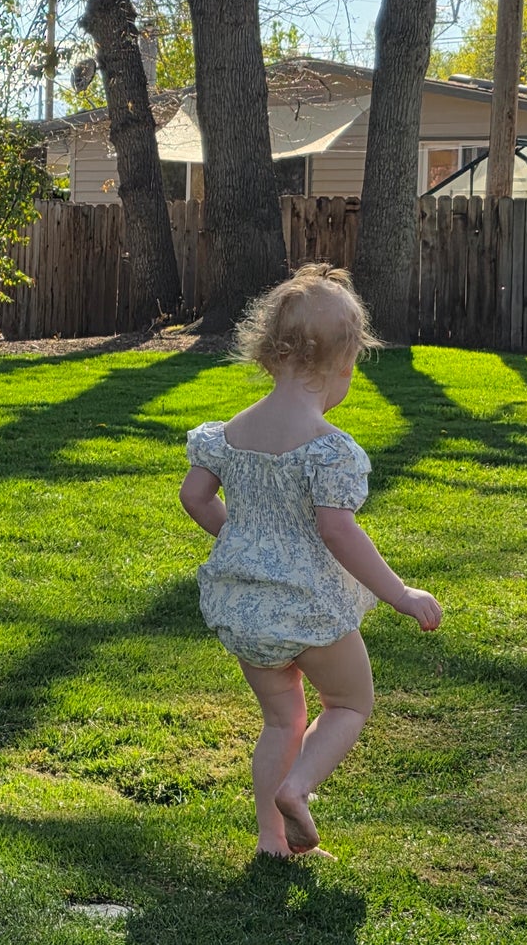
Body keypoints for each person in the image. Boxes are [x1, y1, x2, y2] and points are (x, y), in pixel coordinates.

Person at [179, 264, 442, 857]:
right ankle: (297, 789)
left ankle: (273, 843)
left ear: (268, 353)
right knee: (349, 703)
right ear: (343, 365)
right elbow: (336, 530)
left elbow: (194, 497)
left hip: (248, 613)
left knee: (281, 722)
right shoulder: (328, 450)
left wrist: (239, 540)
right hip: (311, 611)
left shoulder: (227, 435)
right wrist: (401, 594)